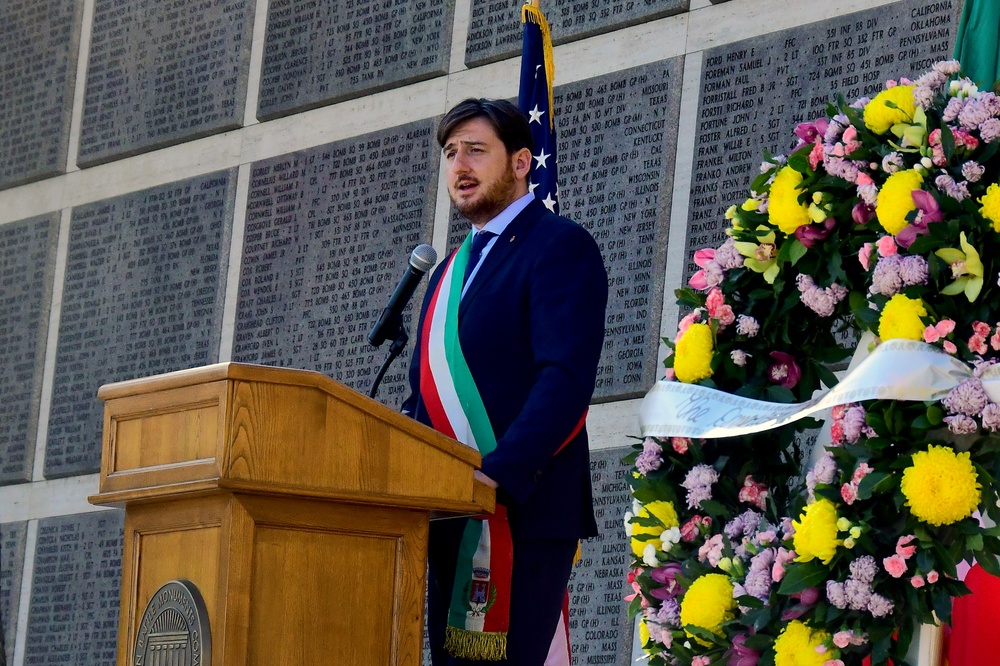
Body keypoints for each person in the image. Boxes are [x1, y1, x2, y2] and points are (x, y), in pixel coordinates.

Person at [401, 97, 608, 665]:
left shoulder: (559, 246)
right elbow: (425, 395)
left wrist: (496, 475)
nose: (459, 166)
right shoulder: (449, 269)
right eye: (450, 153)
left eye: (475, 151)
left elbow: (564, 379)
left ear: (521, 163)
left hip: (520, 509)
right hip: (450, 514)